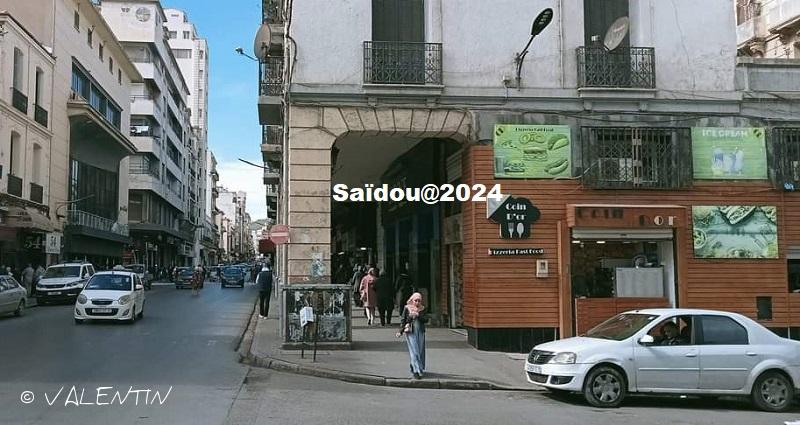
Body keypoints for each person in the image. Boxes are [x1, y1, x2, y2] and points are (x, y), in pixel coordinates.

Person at [396, 292, 428, 379]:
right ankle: (416, 370)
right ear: (412, 300)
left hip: (420, 332)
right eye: (415, 300)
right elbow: (403, 320)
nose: (417, 302)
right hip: (411, 332)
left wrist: (418, 315)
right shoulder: (407, 308)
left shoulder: (422, 309)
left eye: (419, 301)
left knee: (420, 350)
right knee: (414, 351)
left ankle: (415, 366)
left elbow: (426, 319)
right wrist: (400, 331)